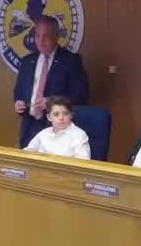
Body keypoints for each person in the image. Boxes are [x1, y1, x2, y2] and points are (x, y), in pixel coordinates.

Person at [13, 15, 90, 148]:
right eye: (38, 36)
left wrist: (52, 102)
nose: (41, 41)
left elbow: (81, 96)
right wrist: (18, 103)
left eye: (46, 36)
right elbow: (19, 91)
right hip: (29, 126)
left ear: (56, 37)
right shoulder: (27, 62)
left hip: (57, 128)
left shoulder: (71, 61)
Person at [24, 96, 91, 159]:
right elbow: (27, 153)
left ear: (71, 115)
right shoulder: (44, 133)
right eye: (56, 114)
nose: (61, 118)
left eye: (65, 114)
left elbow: (83, 163)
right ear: (49, 117)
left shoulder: (80, 135)